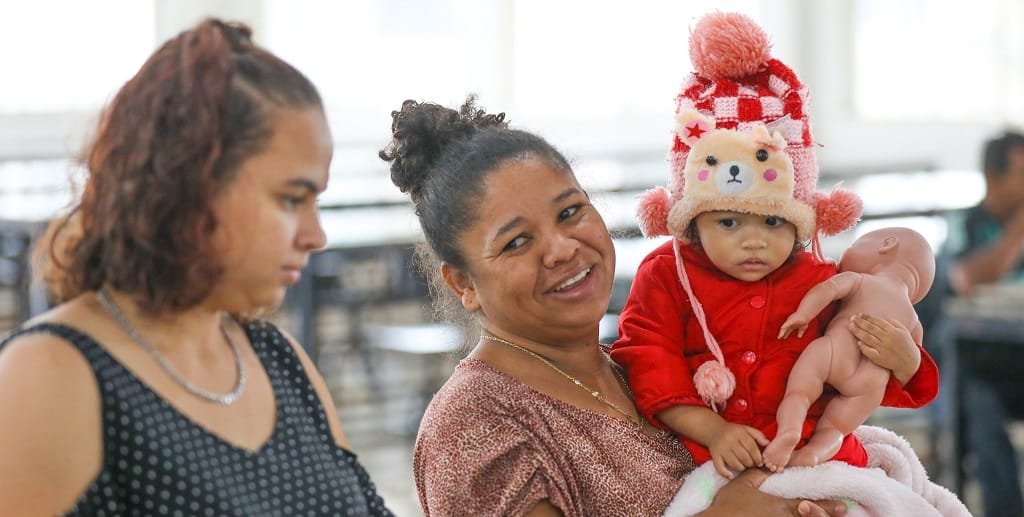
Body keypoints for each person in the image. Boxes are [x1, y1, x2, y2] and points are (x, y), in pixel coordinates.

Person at [381, 96, 850, 516]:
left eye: (570, 212)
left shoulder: (639, 368)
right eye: (517, 242)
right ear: (464, 283)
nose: (562, 249)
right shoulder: (472, 425)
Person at [0, 19, 392, 515]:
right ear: (188, 185)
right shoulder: (53, 374)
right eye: (292, 198)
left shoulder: (279, 361)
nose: (316, 236)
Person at [611, 11, 939, 480]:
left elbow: (860, 372)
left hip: (811, 453)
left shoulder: (820, 278)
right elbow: (647, 357)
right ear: (691, 221)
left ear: (801, 221)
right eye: (727, 221)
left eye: (773, 220)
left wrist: (906, 360)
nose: (754, 240)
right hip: (702, 453)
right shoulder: (668, 271)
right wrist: (711, 429)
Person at [764, 227, 935, 471]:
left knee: (799, 393)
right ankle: (814, 453)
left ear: (887, 244)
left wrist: (803, 314)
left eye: (855, 245)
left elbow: (827, 290)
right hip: (870, 385)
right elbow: (913, 361)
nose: (846, 254)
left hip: (836, 351)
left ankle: (788, 432)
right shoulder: (913, 321)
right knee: (837, 428)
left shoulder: (863, 280)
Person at [935, 129, 1024, 516]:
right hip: (978, 362)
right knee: (978, 406)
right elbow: (962, 279)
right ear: (993, 176)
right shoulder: (964, 223)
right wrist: (1014, 237)